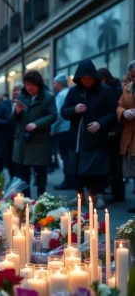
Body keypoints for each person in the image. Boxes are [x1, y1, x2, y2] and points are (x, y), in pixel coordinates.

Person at [61, 59, 116, 208]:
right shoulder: (74, 91)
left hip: (97, 137)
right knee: (77, 169)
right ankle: (80, 196)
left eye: (89, 78)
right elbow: (64, 112)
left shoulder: (105, 91)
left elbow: (113, 112)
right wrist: (74, 110)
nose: (86, 81)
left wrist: (100, 123)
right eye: (83, 78)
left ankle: (98, 195)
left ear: (94, 77)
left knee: (98, 169)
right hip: (78, 138)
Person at [12, 70, 57, 198]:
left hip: (39, 140)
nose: (29, 88)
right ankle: (26, 201)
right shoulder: (21, 96)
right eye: (27, 84)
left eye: (32, 85)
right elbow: (13, 119)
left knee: (40, 172)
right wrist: (17, 111)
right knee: (23, 174)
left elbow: (53, 116)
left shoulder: (48, 97)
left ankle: (41, 199)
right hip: (22, 142)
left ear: (38, 84)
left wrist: (36, 124)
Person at [98, 68, 125, 203]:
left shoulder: (115, 90)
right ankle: (116, 192)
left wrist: (115, 129)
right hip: (109, 130)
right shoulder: (112, 89)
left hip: (114, 132)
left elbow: (117, 111)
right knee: (112, 164)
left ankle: (118, 193)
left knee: (115, 165)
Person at [117, 60, 135, 213]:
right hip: (130, 135)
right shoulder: (128, 88)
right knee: (133, 168)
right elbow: (120, 105)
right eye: (131, 75)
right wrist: (123, 113)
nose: (133, 78)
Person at [51, 74, 71, 190]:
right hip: (69, 128)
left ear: (60, 83)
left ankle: (67, 180)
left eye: (54, 83)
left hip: (62, 130)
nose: (53, 85)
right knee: (68, 155)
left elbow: (57, 114)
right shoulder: (69, 93)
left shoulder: (61, 96)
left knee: (65, 156)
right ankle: (71, 179)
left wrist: (52, 129)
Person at [4, 82, 23, 180]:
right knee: (10, 163)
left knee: (20, 165)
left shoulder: (25, 104)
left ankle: (20, 183)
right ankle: (12, 182)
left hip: (21, 138)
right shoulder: (6, 103)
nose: (16, 92)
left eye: (19, 90)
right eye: (14, 90)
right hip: (9, 138)